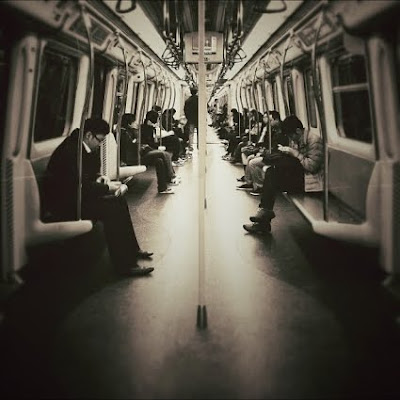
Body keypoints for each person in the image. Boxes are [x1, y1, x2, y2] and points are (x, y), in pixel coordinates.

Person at [44, 118, 154, 276]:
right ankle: (125, 266)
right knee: (112, 210)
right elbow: (76, 186)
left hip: (78, 196)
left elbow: (89, 175)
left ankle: (132, 250)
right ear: (89, 135)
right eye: (100, 140)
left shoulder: (84, 147)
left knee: (119, 201)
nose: (100, 145)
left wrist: (99, 178)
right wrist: (107, 187)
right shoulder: (70, 152)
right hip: (66, 203)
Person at [243, 115, 323, 234]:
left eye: (291, 136)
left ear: (298, 131)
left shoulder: (314, 141)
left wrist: (293, 152)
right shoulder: (298, 138)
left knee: (273, 175)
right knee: (271, 172)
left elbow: (311, 167)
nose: (291, 139)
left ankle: (264, 217)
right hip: (301, 177)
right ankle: (264, 213)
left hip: (311, 182)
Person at [138, 110, 181, 193]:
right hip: (144, 152)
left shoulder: (149, 128)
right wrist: (158, 147)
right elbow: (148, 142)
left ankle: (163, 187)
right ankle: (172, 176)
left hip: (147, 150)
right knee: (164, 154)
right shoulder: (145, 129)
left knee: (159, 161)